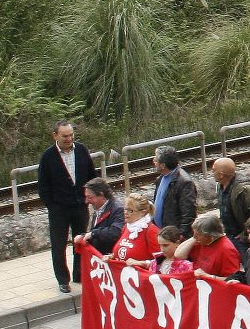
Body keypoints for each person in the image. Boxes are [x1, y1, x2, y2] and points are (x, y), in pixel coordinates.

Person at [39, 121, 99, 293]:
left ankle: (80, 274)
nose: (69, 138)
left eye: (71, 135)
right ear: (55, 136)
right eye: (65, 136)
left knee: (81, 241)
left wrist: (89, 199)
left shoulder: (81, 150)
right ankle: (63, 280)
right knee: (58, 245)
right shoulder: (48, 156)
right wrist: (52, 205)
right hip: (59, 209)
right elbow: (43, 185)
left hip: (80, 206)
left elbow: (91, 176)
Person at [178, 214, 243, 282]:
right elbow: (179, 255)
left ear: (210, 235)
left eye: (197, 234)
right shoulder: (201, 241)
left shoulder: (227, 250)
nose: (194, 236)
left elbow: (233, 280)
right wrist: (194, 238)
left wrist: (208, 276)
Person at [151, 145, 197, 236]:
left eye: (156, 160)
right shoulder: (160, 179)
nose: (153, 161)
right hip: (163, 233)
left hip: (173, 236)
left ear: (163, 165)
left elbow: (189, 214)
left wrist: (181, 236)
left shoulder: (184, 182)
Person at [210, 157, 250, 252]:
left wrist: (244, 234)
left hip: (241, 239)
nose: (212, 172)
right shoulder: (220, 186)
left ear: (221, 175)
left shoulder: (243, 190)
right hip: (229, 234)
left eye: (214, 170)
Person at [75, 178, 124, 260]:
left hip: (111, 258)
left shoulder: (117, 209)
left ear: (101, 195)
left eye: (89, 197)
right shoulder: (99, 208)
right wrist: (84, 236)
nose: (86, 201)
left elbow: (115, 232)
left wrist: (92, 234)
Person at [104, 193, 160, 264]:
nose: (125, 213)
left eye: (130, 210)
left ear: (142, 212)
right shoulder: (126, 227)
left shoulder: (151, 231)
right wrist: (111, 256)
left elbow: (161, 261)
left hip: (140, 274)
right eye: (125, 209)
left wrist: (140, 263)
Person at [126, 225, 192, 276]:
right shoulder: (156, 261)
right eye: (160, 245)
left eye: (165, 245)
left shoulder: (186, 265)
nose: (162, 249)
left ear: (177, 243)